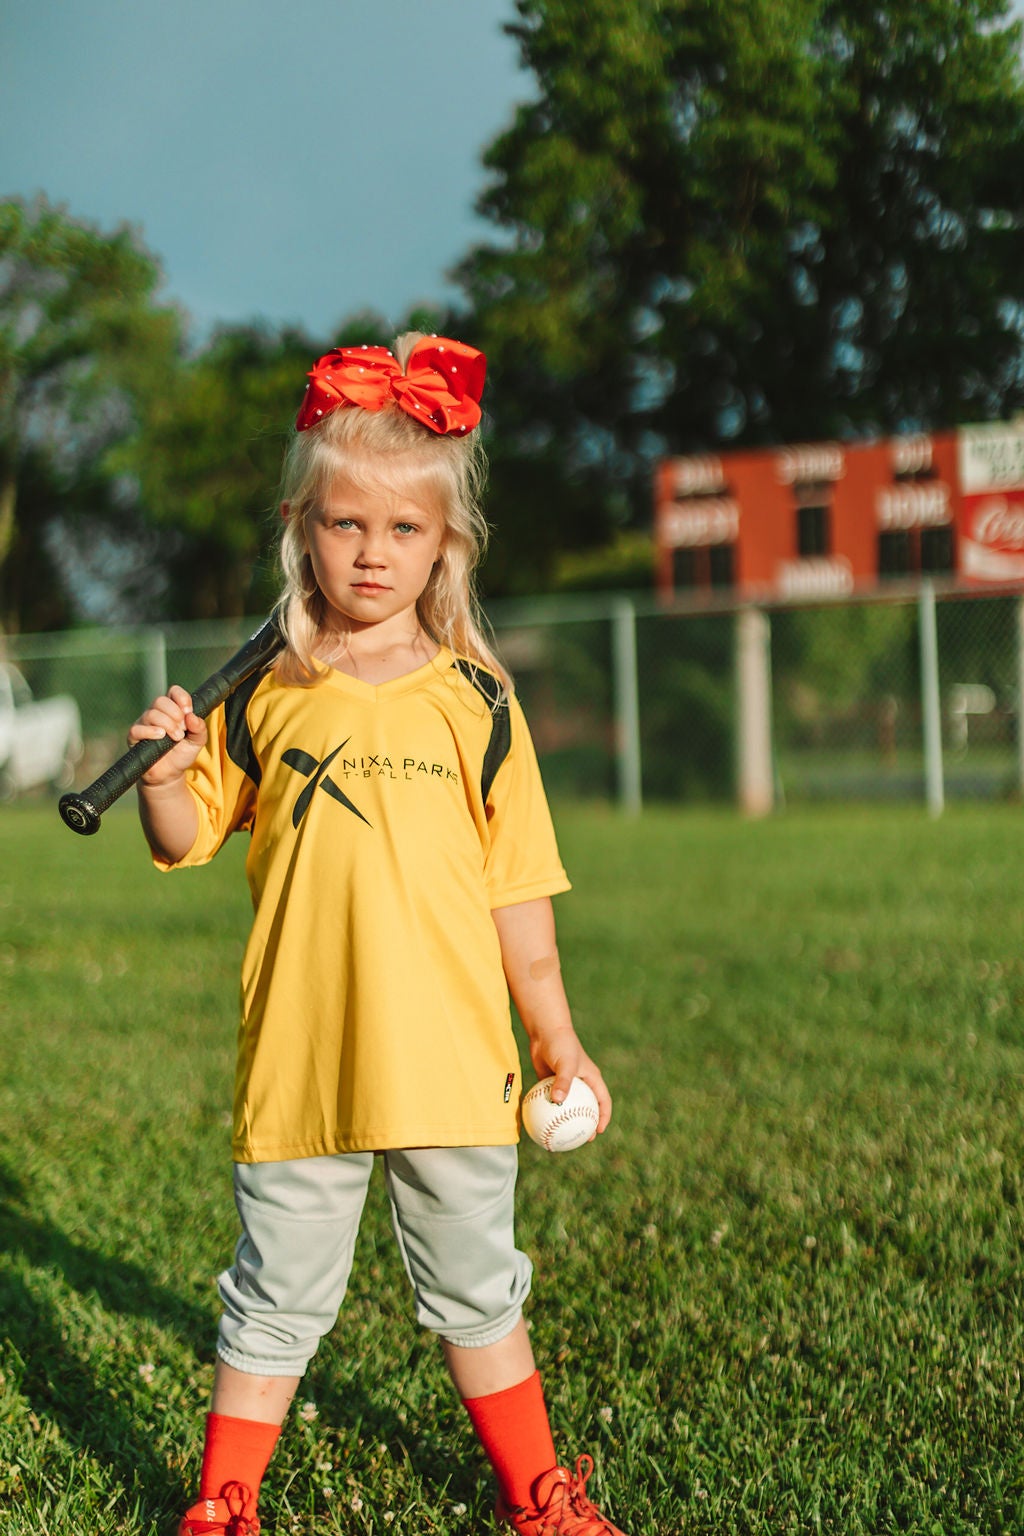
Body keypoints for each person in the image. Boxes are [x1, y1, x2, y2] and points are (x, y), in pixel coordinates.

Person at [129, 334, 628, 1536]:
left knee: (478, 1290)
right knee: (273, 1300)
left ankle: (539, 1498)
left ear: (445, 546)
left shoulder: (477, 702)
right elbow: (177, 838)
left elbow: (520, 896)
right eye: (347, 525)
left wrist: (555, 1038)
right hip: (304, 1064)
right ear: (304, 526)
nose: (372, 552)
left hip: (455, 1069)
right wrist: (164, 767)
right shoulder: (268, 691)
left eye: (404, 532)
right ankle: (223, 1505)